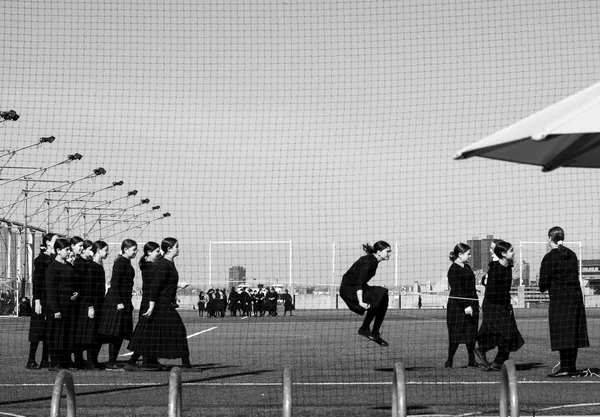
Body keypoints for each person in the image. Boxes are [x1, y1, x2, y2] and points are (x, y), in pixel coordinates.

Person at [128, 238, 192, 370]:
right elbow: (155, 287)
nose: (178, 249)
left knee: (149, 334)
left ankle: (132, 362)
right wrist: (151, 306)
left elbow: (164, 284)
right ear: (169, 249)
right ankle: (186, 365)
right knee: (178, 331)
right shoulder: (164, 264)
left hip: (162, 304)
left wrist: (176, 287)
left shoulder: (167, 263)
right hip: (161, 305)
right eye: (176, 246)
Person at [539, 227, 589, 377]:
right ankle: (571, 366)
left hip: (560, 301)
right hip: (575, 300)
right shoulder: (572, 255)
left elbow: (542, 285)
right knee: (572, 332)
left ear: (549, 238)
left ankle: (566, 367)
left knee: (562, 333)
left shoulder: (549, 258)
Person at [475, 240, 524, 371]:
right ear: (503, 253)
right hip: (494, 306)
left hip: (503, 305)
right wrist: (504, 303)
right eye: (511, 251)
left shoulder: (507, 268)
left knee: (509, 335)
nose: (513, 253)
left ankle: (497, 362)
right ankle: (483, 350)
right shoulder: (496, 269)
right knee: (504, 334)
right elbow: (492, 292)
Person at [339, 241, 392, 346]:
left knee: (382, 296)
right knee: (379, 296)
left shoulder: (373, 261)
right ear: (378, 252)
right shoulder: (369, 261)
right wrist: (361, 301)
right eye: (388, 251)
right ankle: (365, 329)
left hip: (356, 287)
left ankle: (373, 332)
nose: (390, 254)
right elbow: (359, 282)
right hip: (350, 289)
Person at [97, 239, 138, 370]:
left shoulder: (126, 263)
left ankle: (112, 360)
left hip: (124, 301)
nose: (135, 252)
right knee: (113, 333)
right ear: (125, 249)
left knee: (119, 333)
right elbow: (115, 284)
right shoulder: (120, 263)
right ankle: (110, 360)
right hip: (116, 302)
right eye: (133, 249)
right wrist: (119, 302)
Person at [125, 241, 162, 371]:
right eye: (157, 251)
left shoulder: (150, 266)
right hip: (148, 302)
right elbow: (154, 286)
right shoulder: (150, 267)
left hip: (149, 301)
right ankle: (132, 361)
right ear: (149, 252)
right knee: (145, 332)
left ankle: (150, 359)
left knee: (150, 332)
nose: (160, 254)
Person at [445, 243, 480, 368]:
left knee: (471, 334)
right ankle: (449, 361)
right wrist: (465, 305)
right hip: (457, 308)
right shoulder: (453, 269)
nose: (470, 256)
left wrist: (474, 304)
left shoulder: (467, 267)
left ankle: (472, 360)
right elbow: (457, 290)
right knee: (455, 334)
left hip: (472, 304)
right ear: (460, 255)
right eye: (468, 254)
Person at [45, 238, 77, 371]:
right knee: (56, 334)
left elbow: (74, 283)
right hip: (58, 307)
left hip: (69, 306)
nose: (69, 252)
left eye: (70, 249)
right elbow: (51, 290)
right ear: (58, 251)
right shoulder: (52, 267)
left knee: (66, 334)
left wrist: (76, 293)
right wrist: (56, 309)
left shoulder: (69, 266)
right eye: (67, 249)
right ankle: (55, 362)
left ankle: (65, 361)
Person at [76, 240, 109, 370]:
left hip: (99, 304)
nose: (107, 253)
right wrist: (90, 307)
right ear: (98, 250)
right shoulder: (91, 267)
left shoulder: (98, 266)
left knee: (97, 334)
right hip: (92, 304)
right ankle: (90, 361)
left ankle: (94, 360)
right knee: (91, 334)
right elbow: (88, 288)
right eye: (105, 250)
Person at [26, 233, 56, 369]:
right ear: (48, 243)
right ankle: (31, 359)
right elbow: (37, 282)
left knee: (49, 330)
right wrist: (37, 300)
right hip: (42, 300)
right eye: (55, 240)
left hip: (51, 300)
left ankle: (45, 359)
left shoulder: (55, 259)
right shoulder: (41, 260)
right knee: (37, 330)